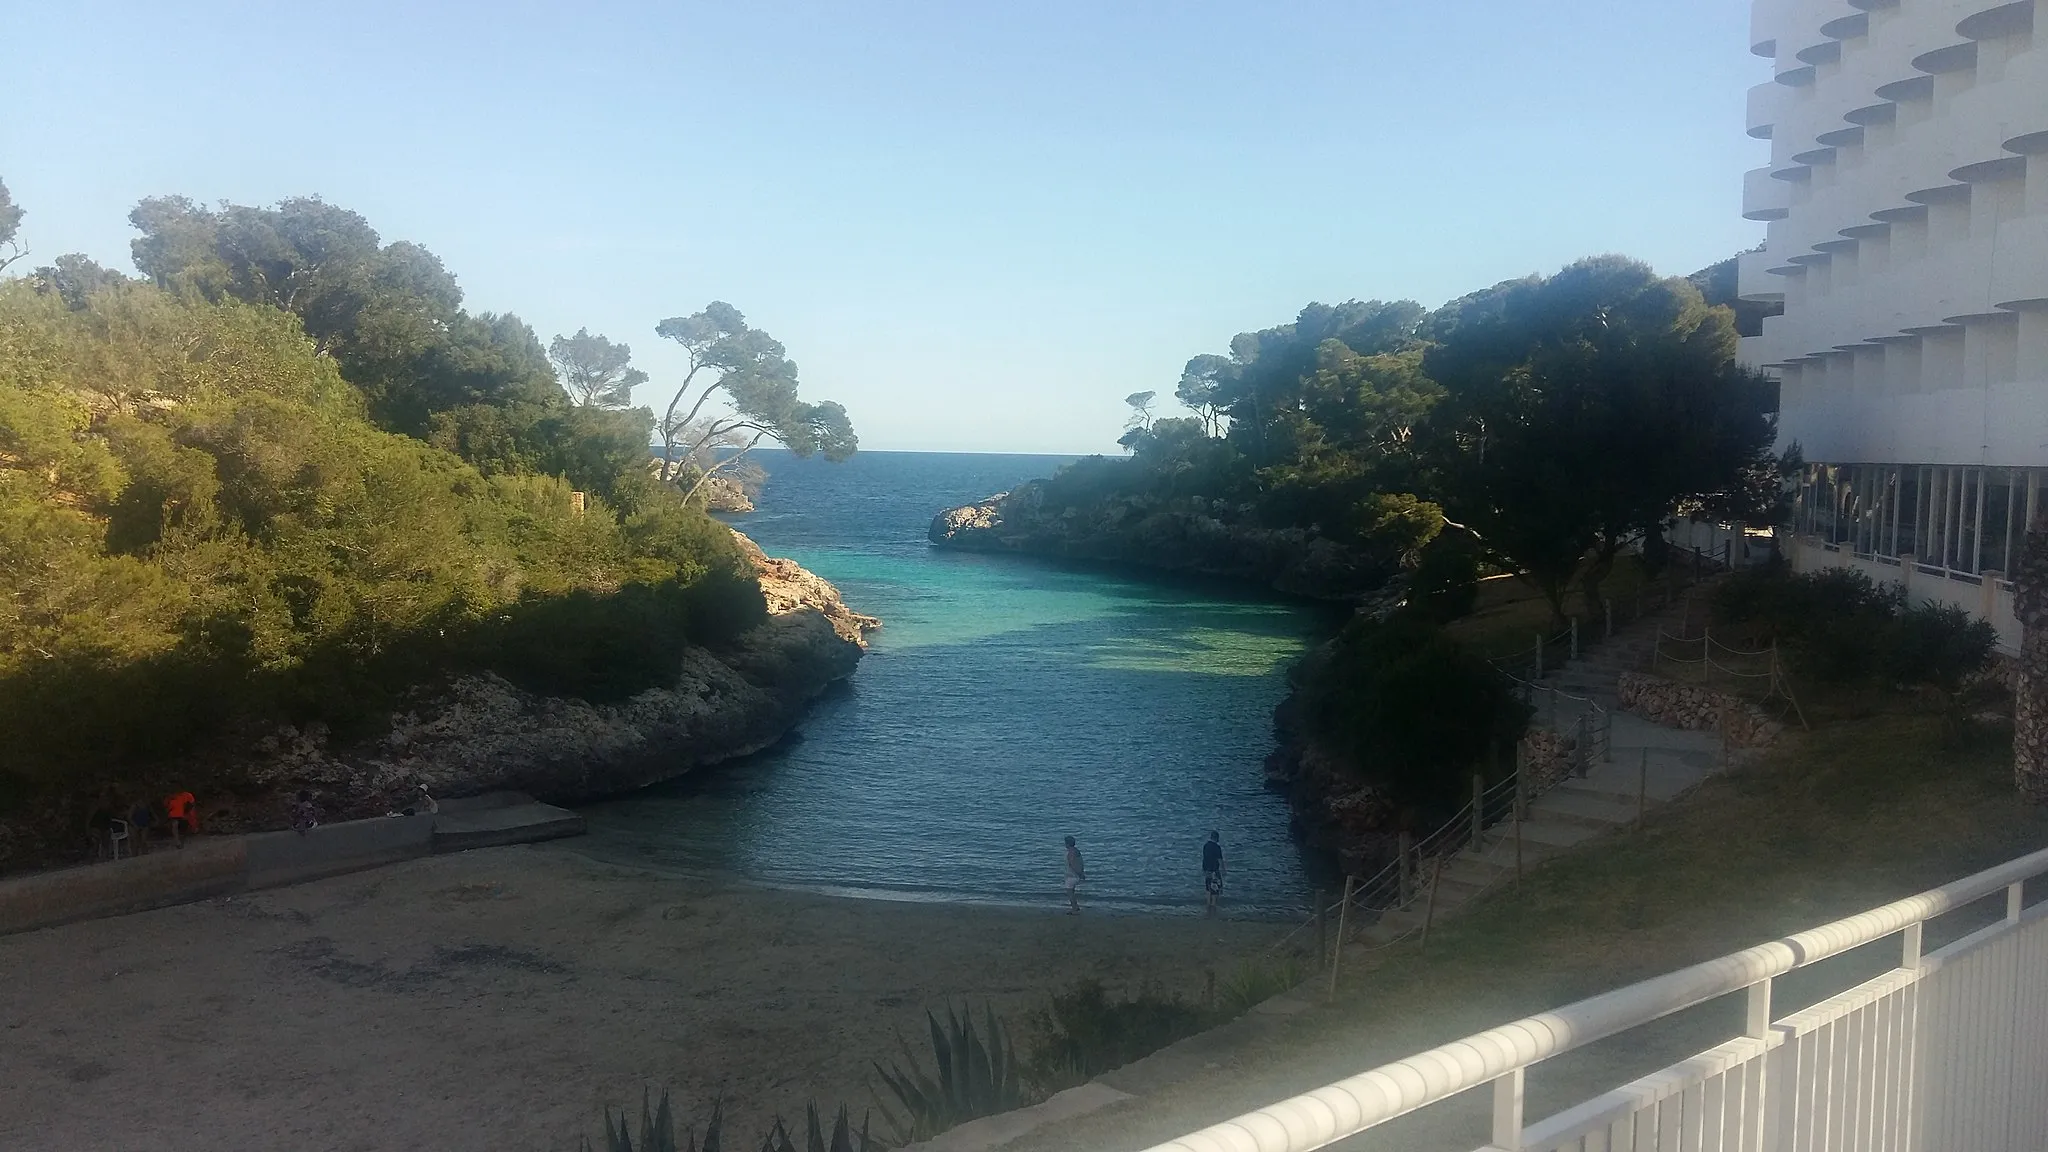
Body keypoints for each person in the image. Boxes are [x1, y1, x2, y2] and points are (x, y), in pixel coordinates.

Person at [1202, 830, 1226, 912]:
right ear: (1217, 838)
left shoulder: (1206, 846)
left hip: (1207, 870)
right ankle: (1213, 905)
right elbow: (1220, 859)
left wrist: (1204, 869)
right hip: (1214, 870)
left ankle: (1208, 904)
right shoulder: (1216, 847)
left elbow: (1204, 858)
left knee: (1208, 887)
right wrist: (1223, 869)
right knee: (1216, 888)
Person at [1062, 836, 1085, 915]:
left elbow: (1072, 864)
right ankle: (1075, 906)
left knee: (1069, 892)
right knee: (1071, 891)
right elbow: (1080, 863)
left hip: (1072, 875)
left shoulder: (1071, 852)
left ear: (1067, 843)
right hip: (1074, 874)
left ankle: (1074, 908)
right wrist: (1081, 872)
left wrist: (1079, 873)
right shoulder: (1076, 850)